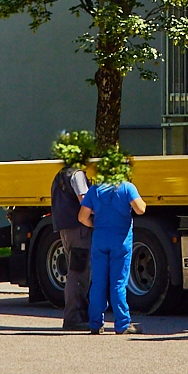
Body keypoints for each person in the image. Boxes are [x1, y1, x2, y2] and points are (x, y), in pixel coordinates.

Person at [80, 148, 146, 335]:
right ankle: (122, 324)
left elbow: (82, 217)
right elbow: (141, 209)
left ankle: (95, 323)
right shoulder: (127, 187)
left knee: (98, 282)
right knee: (118, 282)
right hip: (121, 241)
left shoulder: (94, 190)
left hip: (100, 240)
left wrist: (95, 224)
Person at [48, 130, 96, 331]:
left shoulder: (59, 176)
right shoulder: (76, 175)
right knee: (79, 273)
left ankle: (78, 315)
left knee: (76, 271)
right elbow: (84, 201)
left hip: (66, 230)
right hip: (80, 230)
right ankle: (74, 318)